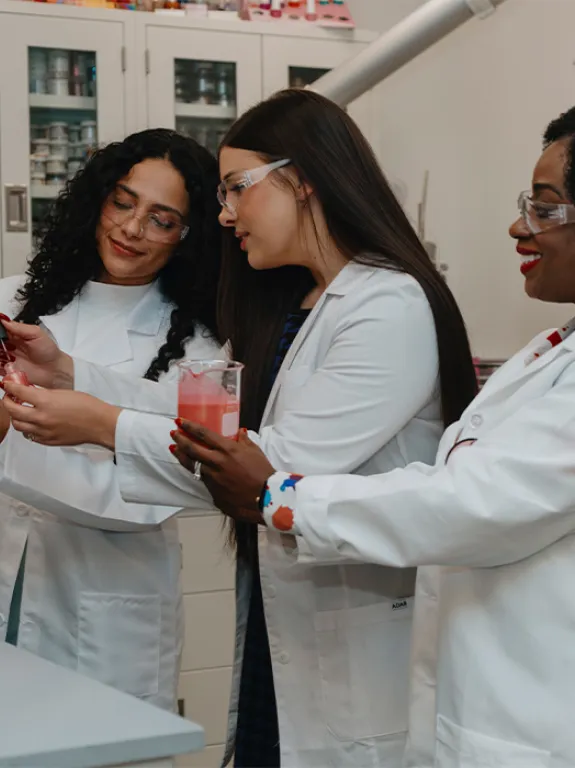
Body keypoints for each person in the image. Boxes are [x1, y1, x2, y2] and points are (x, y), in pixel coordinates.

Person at [2, 91, 477, 766]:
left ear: (303, 178)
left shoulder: (386, 307)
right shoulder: (295, 304)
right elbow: (204, 421)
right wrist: (70, 373)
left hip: (347, 632)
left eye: (233, 190)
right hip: (279, 617)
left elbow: (270, 468)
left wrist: (101, 423)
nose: (223, 215)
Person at [158, 106, 575, 768]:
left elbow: (471, 504)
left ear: (303, 182)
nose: (517, 226)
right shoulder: (547, 353)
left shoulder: (388, 304)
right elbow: (441, 486)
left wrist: (278, 495)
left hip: (519, 712)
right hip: (451, 692)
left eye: (545, 209)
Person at [0, 128, 222, 711]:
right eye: (123, 202)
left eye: (161, 218)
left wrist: (6, 446)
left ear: (188, 236)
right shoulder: (13, 303)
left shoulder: (201, 352)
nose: (130, 228)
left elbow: (151, 496)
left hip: (102, 611)